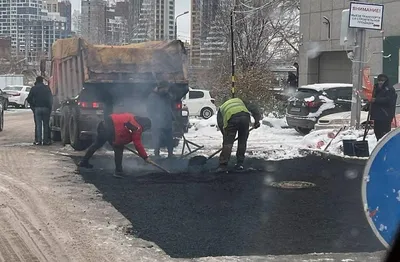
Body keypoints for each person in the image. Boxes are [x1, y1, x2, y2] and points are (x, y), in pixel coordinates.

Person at [78, 113, 152, 178]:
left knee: (97, 144)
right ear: (145, 126)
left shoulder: (132, 116)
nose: (144, 131)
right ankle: (118, 172)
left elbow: (122, 128)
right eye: (146, 129)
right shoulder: (137, 128)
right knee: (119, 148)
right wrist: (145, 157)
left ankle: (84, 162)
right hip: (110, 130)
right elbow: (137, 144)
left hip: (103, 124)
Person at [216, 97, 262, 172]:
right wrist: (257, 121)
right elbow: (253, 108)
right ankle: (240, 163)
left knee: (228, 144)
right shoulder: (239, 101)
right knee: (242, 141)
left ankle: (223, 165)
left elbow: (221, 124)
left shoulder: (222, 108)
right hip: (245, 118)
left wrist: (226, 137)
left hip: (231, 119)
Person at [147, 81, 174, 158]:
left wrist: (171, 117)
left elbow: (170, 106)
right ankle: (157, 154)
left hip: (167, 120)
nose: (166, 90)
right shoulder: (152, 96)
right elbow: (150, 109)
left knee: (169, 138)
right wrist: (154, 117)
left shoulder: (167, 95)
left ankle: (170, 154)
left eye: (167, 88)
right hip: (156, 122)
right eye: (165, 88)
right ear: (160, 88)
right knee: (157, 138)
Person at [26, 76, 53, 145]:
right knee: (46, 125)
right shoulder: (47, 88)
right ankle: (46, 141)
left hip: (37, 108)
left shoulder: (34, 88)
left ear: (36, 81)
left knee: (38, 125)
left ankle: (38, 140)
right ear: (42, 81)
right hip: (46, 108)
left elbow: (29, 99)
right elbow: (50, 98)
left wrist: (33, 107)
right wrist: (50, 107)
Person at [370, 74, 397, 141]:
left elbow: (389, 100)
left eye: (382, 81)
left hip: (385, 114)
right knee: (377, 131)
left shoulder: (389, 89)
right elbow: (374, 97)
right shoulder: (376, 87)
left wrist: (376, 100)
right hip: (377, 114)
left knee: (384, 133)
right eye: (379, 80)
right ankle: (378, 142)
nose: (380, 82)